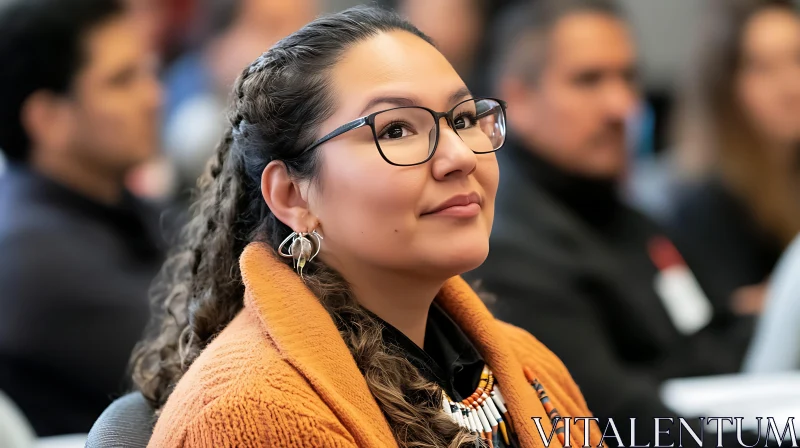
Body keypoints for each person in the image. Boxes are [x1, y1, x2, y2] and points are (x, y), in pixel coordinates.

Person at [133, 7, 602, 448]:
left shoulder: (529, 365)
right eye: (396, 129)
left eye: (462, 119)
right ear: (293, 195)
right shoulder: (248, 412)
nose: (460, 156)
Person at [468, 0, 754, 444]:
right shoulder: (506, 246)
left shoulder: (622, 213)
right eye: (589, 80)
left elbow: (707, 330)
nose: (622, 105)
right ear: (519, 100)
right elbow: (608, 415)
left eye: (628, 78)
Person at [0, 0, 164, 436]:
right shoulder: (29, 254)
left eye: (148, 72)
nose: (153, 96)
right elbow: (202, 353)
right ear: (48, 118)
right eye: (122, 80)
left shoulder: (119, 204)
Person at [670, 0, 800, 316]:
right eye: (762, 68)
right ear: (722, 87)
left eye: (797, 59)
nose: (790, 86)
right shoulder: (702, 204)